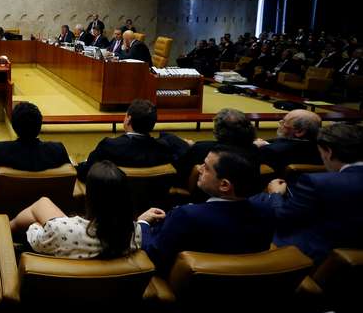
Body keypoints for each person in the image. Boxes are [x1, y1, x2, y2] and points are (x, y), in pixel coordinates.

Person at [140, 147, 273, 273]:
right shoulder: (266, 211)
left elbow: (154, 256)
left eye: (206, 167)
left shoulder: (186, 215)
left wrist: (143, 224)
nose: (199, 169)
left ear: (224, 185)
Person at [252, 124, 363, 263]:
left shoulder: (317, 182)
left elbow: (282, 218)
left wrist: (276, 194)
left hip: (315, 254)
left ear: (328, 151)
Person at [10, 161, 141, 259]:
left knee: (41, 206)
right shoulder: (134, 234)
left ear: (90, 198)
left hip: (57, 279)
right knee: (43, 204)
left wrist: (38, 225)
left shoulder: (59, 230)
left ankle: (5, 230)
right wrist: (141, 222)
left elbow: (36, 240)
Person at [76, 100, 183, 179]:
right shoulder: (163, 148)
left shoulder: (109, 146)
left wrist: (77, 166)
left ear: (128, 119)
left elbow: (86, 173)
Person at [0, 102, 70, 184]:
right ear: (40, 125)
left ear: (14, 126)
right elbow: (68, 177)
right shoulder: (58, 150)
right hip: (49, 197)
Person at [174, 108, 257, 183]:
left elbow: (181, 172)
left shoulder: (202, 148)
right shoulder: (254, 149)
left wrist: (190, 146)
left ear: (218, 131)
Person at [255, 109, 323, 173]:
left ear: (300, 132)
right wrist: (266, 143)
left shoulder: (270, 151)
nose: (280, 122)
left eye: (284, 122)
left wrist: (253, 147)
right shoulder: (325, 149)